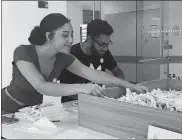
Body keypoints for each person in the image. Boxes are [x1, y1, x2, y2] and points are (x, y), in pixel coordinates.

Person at [2, 13, 148, 114]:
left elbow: (95, 74)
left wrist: (130, 85)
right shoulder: (23, 52)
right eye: (65, 35)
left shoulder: (63, 57)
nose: (71, 40)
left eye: (72, 34)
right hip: (6, 108)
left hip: (31, 111)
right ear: (48, 36)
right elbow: (42, 87)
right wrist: (83, 88)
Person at [59, 19, 125, 103]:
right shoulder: (71, 54)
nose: (105, 48)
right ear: (89, 39)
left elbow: (118, 72)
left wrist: (119, 88)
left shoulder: (104, 52)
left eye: (107, 44)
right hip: (72, 105)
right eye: (101, 44)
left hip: (98, 103)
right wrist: (88, 94)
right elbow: (64, 89)